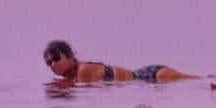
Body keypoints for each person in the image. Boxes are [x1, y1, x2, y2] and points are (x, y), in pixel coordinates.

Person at [43, 40, 199, 83]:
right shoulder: (71, 76)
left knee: (198, 80)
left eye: (56, 59)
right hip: (146, 80)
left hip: (152, 76)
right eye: (49, 63)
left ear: (70, 57)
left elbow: (81, 92)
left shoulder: (83, 71)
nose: (53, 64)